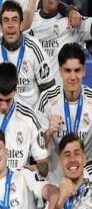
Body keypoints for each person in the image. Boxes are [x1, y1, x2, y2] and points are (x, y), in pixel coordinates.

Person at [0, 0, 55, 108]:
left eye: (14, 20)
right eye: (6, 20)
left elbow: (49, 89)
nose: (10, 25)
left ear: (21, 24)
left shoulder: (34, 48)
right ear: (1, 27)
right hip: (3, 112)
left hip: (31, 115)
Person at [26, 0, 92, 83]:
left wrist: (71, 10)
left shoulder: (72, 21)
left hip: (61, 93)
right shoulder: (28, 21)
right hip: (33, 93)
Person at [38, 43, 92, 184]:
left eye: (77, 70)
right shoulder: (47, 99)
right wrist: (48, 132)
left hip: (86, 183)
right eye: (68, 71)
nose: (73, 77)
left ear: (84, 71)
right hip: (55, 181)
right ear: (60, 71)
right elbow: (36, 148)